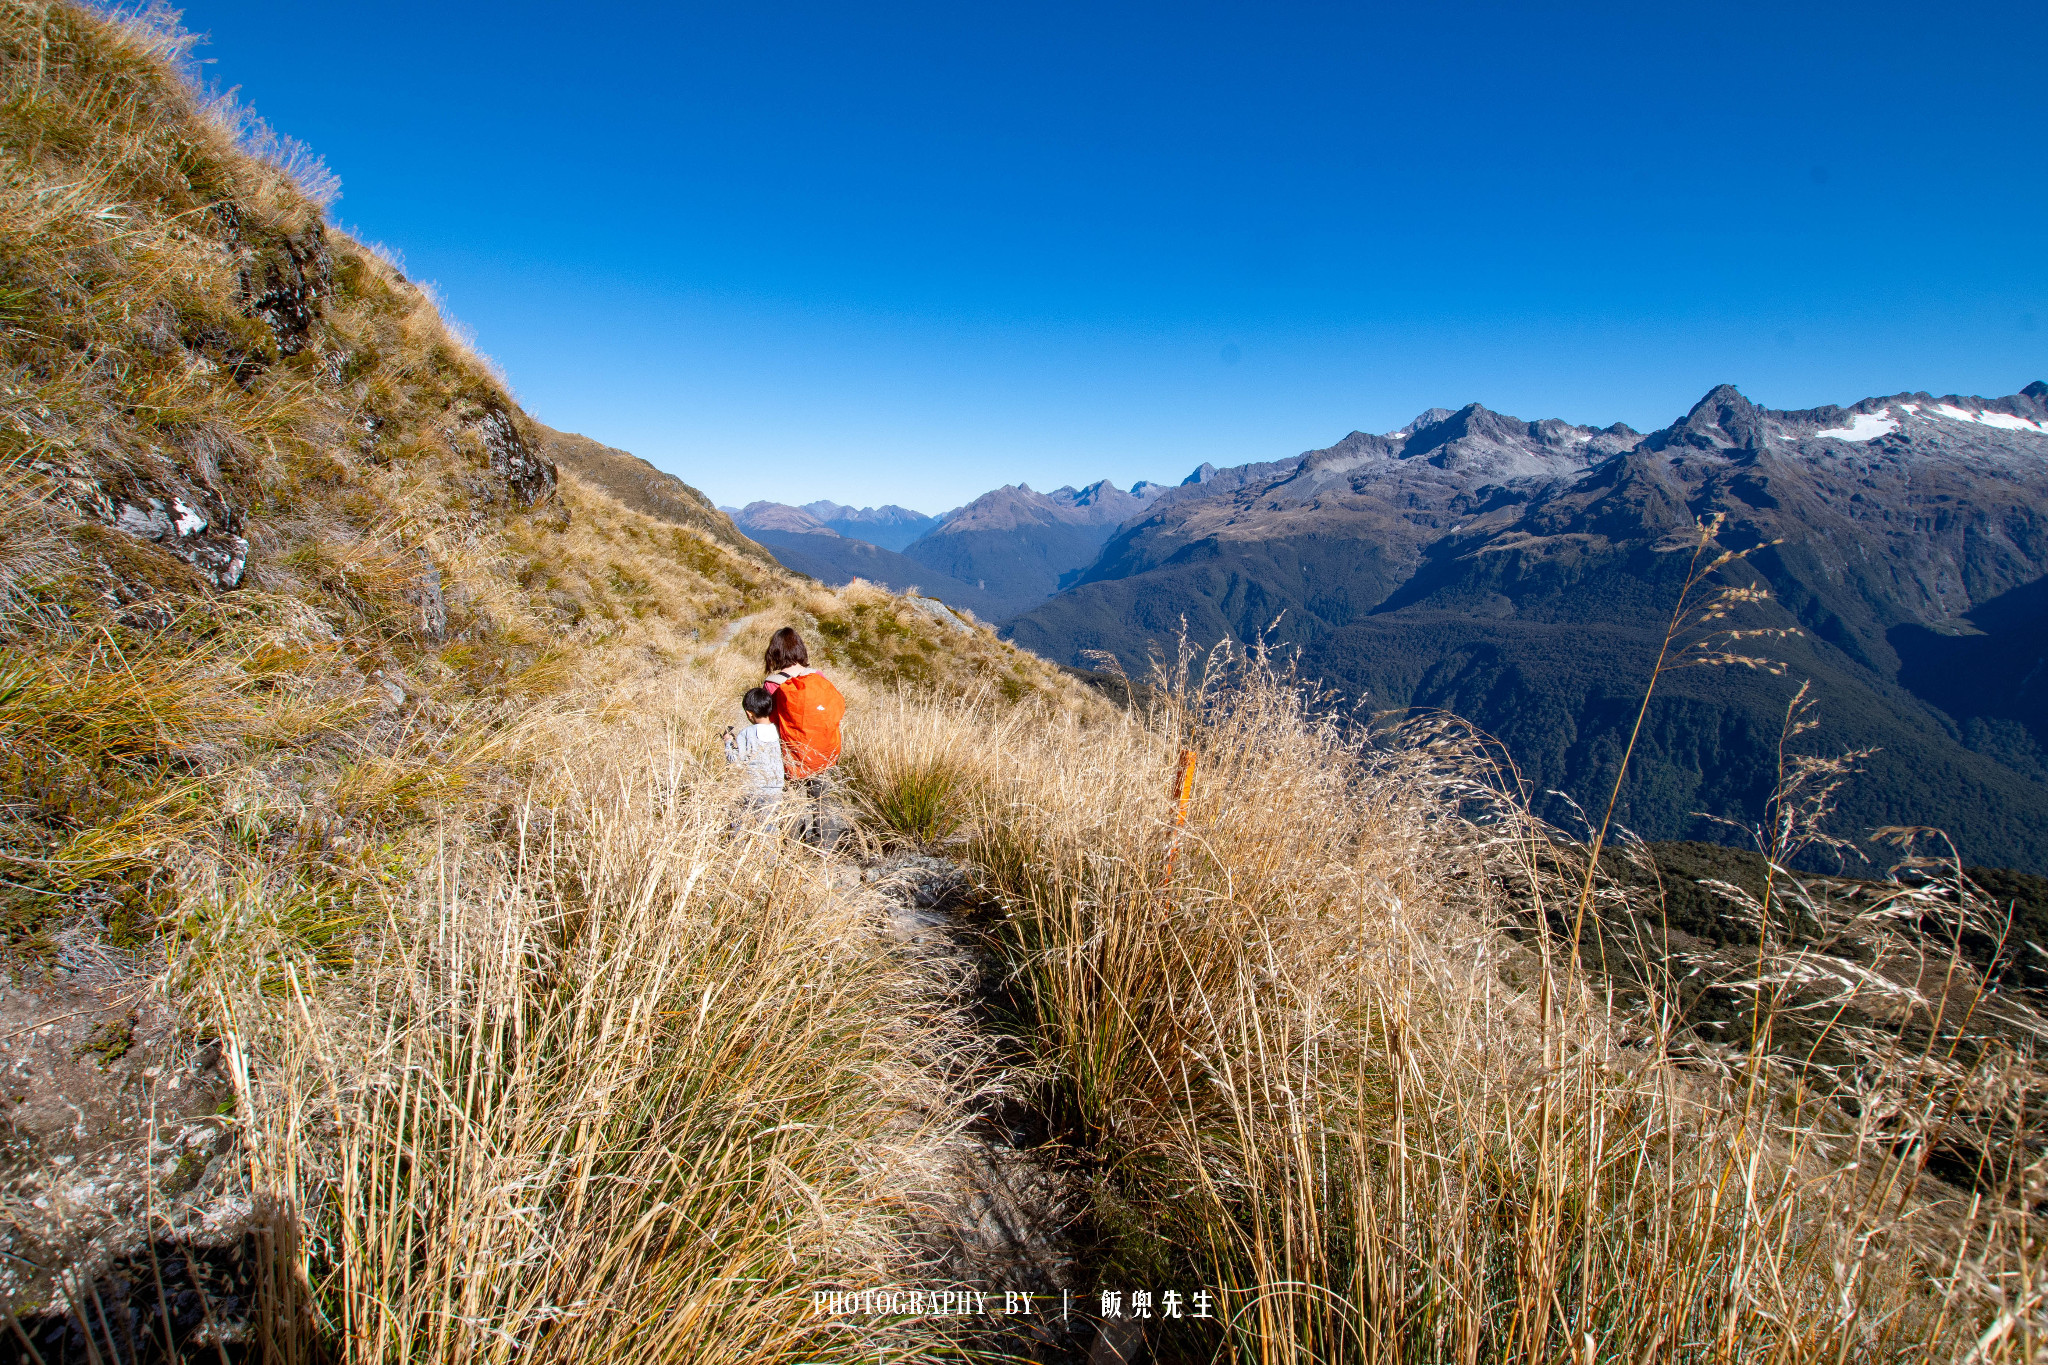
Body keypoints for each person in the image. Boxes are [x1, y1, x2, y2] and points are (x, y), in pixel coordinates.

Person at [761, 627, 846, 846]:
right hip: (822, 751)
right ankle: (825, 847)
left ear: (775, 653)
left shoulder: (773, 683)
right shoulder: (817, 676)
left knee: (793, 802)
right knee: (822, 802)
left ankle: (794, 847)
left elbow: (769, 721)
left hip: (791, 753)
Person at [722, 687, 784, 830]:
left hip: (753, 789)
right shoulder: (779, 730)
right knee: (769, 829)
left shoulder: (747, 733)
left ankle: (738, 849)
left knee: (740, 824)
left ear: (749, 714)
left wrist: (728, 742)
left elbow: (735, 761)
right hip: (775, 790)